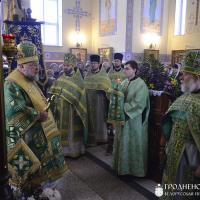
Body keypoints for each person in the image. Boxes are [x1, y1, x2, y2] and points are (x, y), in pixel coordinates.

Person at [4, 41, 67, 193]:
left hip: (42, 131)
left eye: (37, 63)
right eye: (32, 64)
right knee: (33, 174)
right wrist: (37, 115)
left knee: (45, 174)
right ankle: (34, 190)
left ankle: (44, 188)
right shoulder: (11, 83)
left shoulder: (29, 78)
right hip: (29, 136)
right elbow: (13, 109)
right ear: (21, 66)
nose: (37, 67)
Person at [161, 53, 200, 199]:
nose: (181, 77)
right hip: (174, 154)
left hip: (192, 158)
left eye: (184, 74)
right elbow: (169, 122)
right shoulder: (184, 97)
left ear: (197, 77)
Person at [112, 60, 150, 176]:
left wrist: (122, 107)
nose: (125, 70)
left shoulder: (141, 84)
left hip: (133, 119)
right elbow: (117, 96)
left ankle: (134, 170)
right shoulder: (124, 82)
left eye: (128, 68)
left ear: (135, 70)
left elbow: (139, 103)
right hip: (123, 119)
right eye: (125, 68)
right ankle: (122, 168)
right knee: (122, 142)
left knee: (132, 143)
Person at [49, 53, 87, 158]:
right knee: (61, 131)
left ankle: (73, 151)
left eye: (68, 66)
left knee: (71, 132)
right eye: (64, 65)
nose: (65, 68)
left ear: (73, 65)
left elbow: (81, 97)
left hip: (72, 111)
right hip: (60, 111)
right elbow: (55, 91)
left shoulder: (79, 80)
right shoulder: (61, 78)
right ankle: (63, 151)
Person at [84, 54, 111, 146]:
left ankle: (101, 138)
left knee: (99, 119)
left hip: (99, 102)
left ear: (99, 64)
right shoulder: (87, 75)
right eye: (92, 63)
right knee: (90, 120)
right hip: (88, 101)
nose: (93, 65)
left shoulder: (103, 76)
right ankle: (91, 139)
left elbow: (108, 88)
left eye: (95, 63)